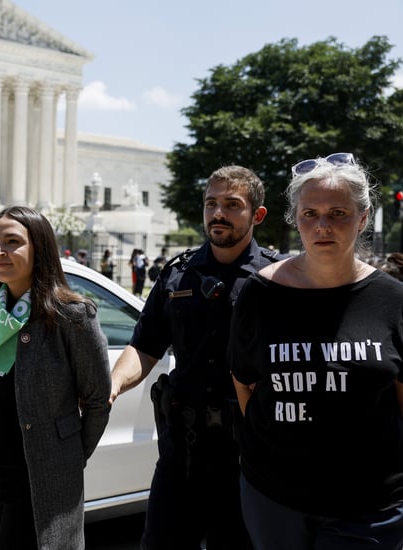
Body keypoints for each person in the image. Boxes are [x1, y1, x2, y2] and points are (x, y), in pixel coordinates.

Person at [228, 153, 403, 550]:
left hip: (370, 505)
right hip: (273, 496)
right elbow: (245, 384)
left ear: (363, 218)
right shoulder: (259, 294)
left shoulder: (393, 301)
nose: (323, 225)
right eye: (310, 213)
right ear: (296, 218)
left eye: (338, 212)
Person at [110, 165, 281, 549]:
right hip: (182, 452)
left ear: (257, 215)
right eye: (211, 204)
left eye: (232, 205)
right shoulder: (176, 274)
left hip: (249, 457)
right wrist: (112, 385)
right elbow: (145, 346)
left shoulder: (279, 278)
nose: (218, 213)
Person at [0, 206, 111, 550]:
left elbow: (98, 400)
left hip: (37, 478)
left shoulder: (73, 316)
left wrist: (66, 457)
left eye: (12, 242)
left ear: (39, 249)